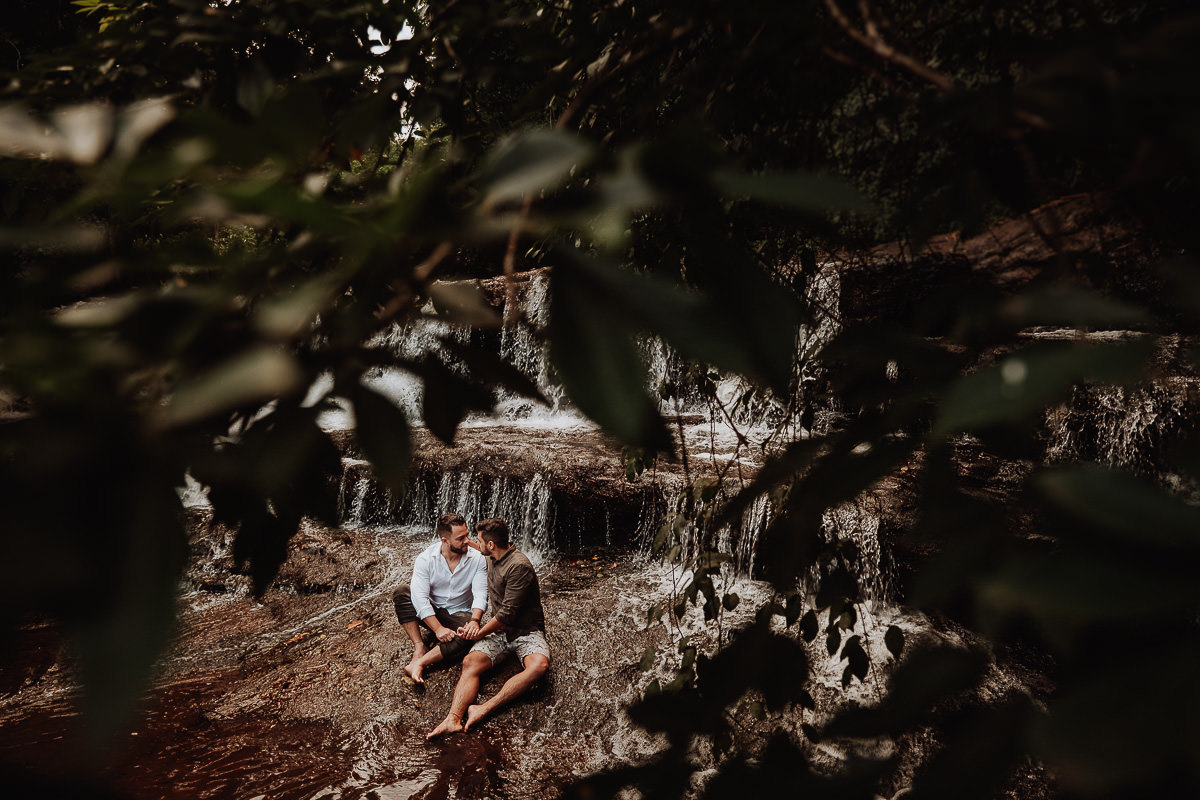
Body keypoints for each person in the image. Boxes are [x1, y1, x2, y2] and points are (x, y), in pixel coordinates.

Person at [427, 517, 550, 738]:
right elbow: (472, 544)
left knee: (538, 666)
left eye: (479, 541)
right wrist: (453, 539)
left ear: (491, 545)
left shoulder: (519, 567)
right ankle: (452, 719)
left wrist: (478, 632)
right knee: (470, 662)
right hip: (501, 633)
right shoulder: (492, 554)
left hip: (526, 631)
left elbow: (506, 614)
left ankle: (483, 708)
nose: (473, 544)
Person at [392, 512, 488, 684]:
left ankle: (420, 662)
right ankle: (419, 646)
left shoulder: (477, 559)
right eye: (460, 538)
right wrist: (437, 629)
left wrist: (475, 620)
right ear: (445, 540)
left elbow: (481, 593)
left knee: (470, 634)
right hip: (433, 610)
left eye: (467, 535)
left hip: (460, 613)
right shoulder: (426, 559)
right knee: (402, 592)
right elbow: (420, 598)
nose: (467, 541)